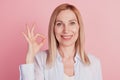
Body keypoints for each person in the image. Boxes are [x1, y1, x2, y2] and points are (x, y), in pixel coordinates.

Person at [19, 3, 103, 80]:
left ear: (79, 27)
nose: (66, 30)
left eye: (72, 23)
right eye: (59, 24)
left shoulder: (94, 63)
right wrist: (29, 60)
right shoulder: (41, 59)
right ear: (53, 28)